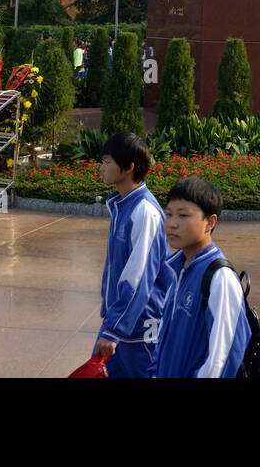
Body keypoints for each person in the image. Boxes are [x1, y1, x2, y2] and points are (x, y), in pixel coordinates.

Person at [150, 177, 250, 377]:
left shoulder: (220, 278)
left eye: (183, 215)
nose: (172, 224)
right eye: (168, 214)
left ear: (210, 222)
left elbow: (222, 359)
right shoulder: (178, 268)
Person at [94, 133, 173, 378]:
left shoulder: (144, 212)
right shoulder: (122, 205)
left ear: (128, 167)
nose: (102, 168)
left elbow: (137, 279)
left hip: (138, 330)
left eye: (107, 162)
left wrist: (114, 329)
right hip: (119, 324)